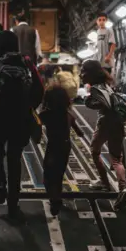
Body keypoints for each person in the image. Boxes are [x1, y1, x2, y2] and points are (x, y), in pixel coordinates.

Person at [0, 31, 44, 218]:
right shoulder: (27, 63)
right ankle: (14, 203)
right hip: (20, 117)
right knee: (15, 158)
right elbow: (39, 87)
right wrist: (30, 107)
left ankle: (0, 184)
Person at [80, 60, 126, 211]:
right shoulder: (108, 86)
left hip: (105, 123)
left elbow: (105, 105)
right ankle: (123, 188)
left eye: (83, 71)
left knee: (95, 152)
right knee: (116, 159)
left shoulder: (96, 89)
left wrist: (88, 102)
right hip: (118, 123)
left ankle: (104, 182)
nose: (81, 74)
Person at [40, 84, 84, 216]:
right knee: (58, 174)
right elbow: (80, 132)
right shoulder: (68, 115)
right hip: (65, 146)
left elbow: (35, 129)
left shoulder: (45, 114)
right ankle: (56, 197)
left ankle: (54, 200)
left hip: (53, 146)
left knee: (48, 175)